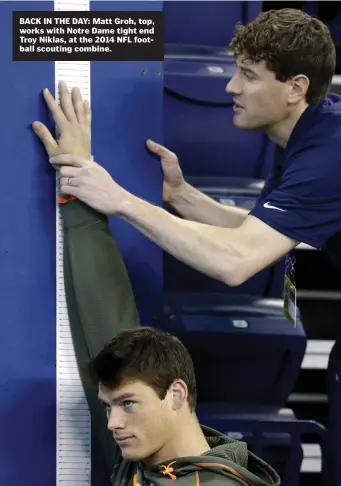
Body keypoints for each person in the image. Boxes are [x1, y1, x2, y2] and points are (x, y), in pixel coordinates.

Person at [32, 7, 341, 484]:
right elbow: (259, 233)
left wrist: (119, 200)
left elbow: (236, 261)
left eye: (249, 76)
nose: (231, 88)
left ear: (295, 88)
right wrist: (184, 199)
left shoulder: (327, 153)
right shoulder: (311, 136)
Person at [48, 90, 280, 486]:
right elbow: (105, 315)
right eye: (109, 408)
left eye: (126, 405)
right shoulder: (148, 459)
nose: (113, 423)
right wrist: (78, 180)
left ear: (176, 395)